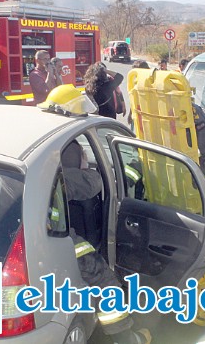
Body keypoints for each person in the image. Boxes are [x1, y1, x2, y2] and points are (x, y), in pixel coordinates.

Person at [60, 141, 152, 344]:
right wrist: (85, 167)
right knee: (105, 282)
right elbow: (94, 184)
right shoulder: (62, 177)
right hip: (52, 237)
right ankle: (127, 339)